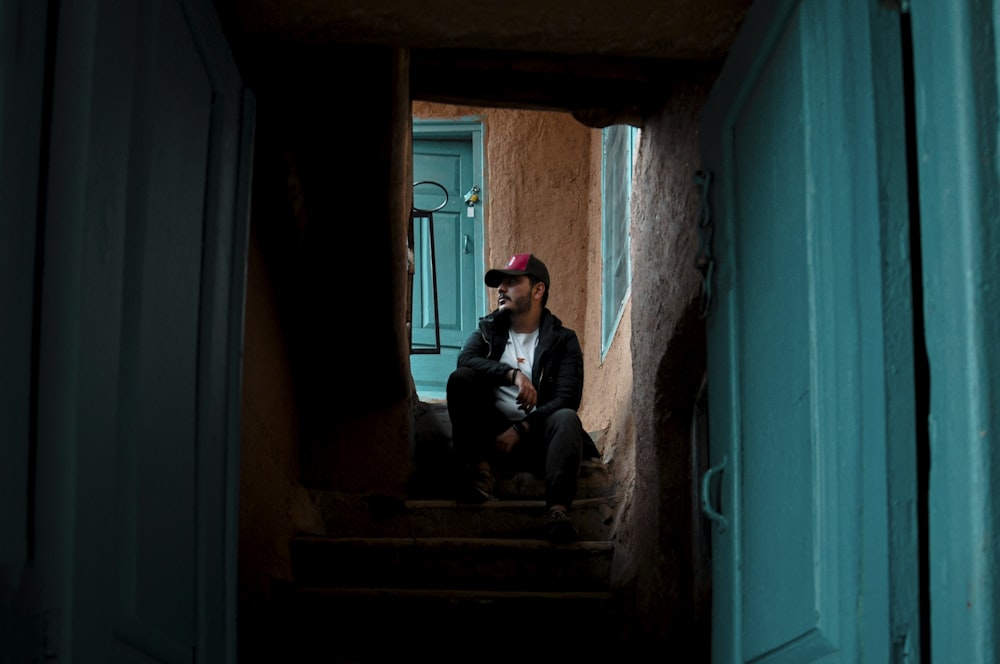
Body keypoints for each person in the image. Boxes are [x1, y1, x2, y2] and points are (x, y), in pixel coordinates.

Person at [446, 253, 599, 544]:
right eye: (500, 283)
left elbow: (567, 398)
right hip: (491, 434)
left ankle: (558, 513)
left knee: (567, 419)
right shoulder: (488, 329)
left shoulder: (563, 340)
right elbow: (465, 360)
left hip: (537, 438)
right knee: (462, 379)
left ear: (538, 290)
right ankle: (479, 472)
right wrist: (513, 374)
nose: (501, 289)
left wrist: (523, 427)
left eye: (512, 282)